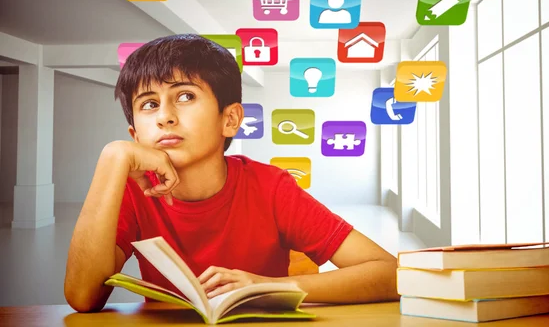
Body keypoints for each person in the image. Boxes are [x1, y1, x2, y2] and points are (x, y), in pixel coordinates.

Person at [64, 34, 399, 313]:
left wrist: (265, 287)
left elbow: (390, 274)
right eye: (149, 104)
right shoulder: (133, 191)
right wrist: (113, 158)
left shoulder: (271, 188)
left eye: (185, 96)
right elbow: (82, 297)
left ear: (231, 119)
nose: (164, 116)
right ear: (135, 135)